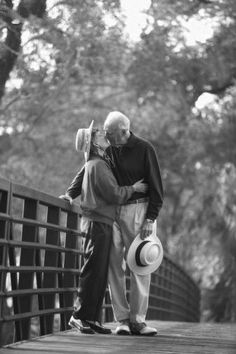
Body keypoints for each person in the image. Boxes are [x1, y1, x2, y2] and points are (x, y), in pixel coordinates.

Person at [59, 120, 147, 335]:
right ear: (94, 144)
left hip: (102, 223)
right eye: (97, 134)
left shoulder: (98, 162)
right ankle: (79, 316)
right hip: (97, 223)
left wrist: (70, 194)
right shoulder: (97, 165)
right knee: (92, 270)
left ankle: (90, 318)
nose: (101, 134)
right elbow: (114, 194)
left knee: (99, 272)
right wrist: (134, 188)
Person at [103, 111, 164, 336]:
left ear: (123, 131)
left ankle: (138, 321)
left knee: (139, 265)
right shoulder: (109, 151)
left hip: (139, 211)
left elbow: (157, 187)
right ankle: (122, 320)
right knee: (113, 264)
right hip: (112, 211)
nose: (106, 137)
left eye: (109, 134)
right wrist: (70, 193)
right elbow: (89, 171)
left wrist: (151, 218)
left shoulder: (145, 149)